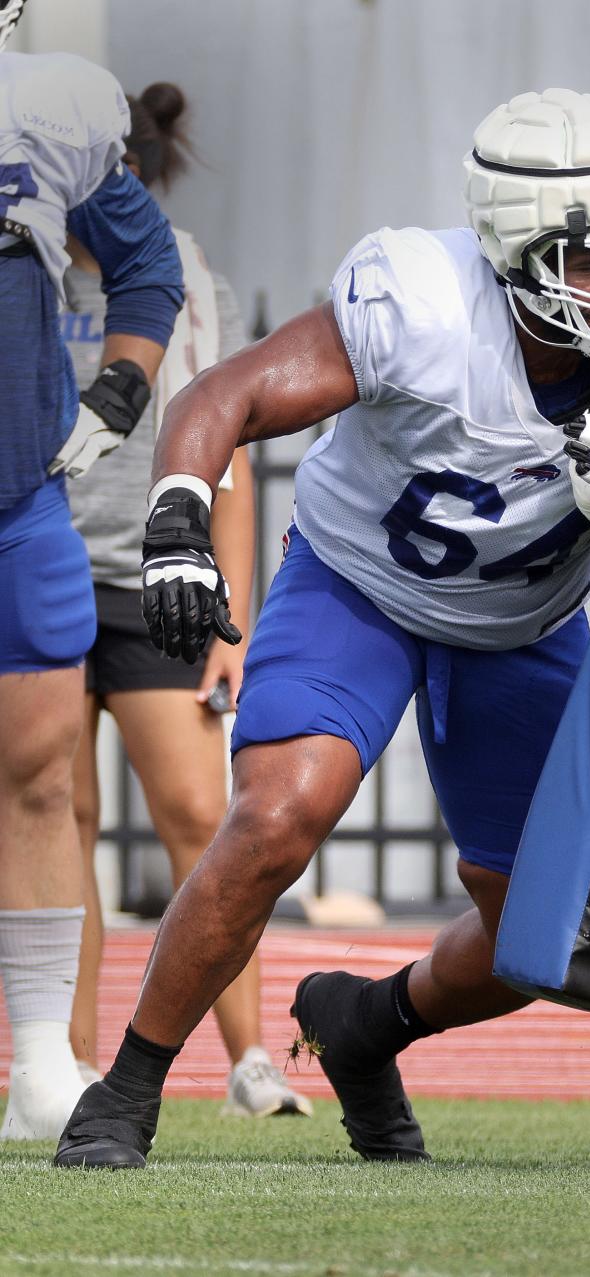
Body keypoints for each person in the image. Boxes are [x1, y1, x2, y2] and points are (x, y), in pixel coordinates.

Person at [55, 87, 590, 1169]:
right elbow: (230, 391)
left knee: (552, 938)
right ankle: (128, 1086)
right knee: (278, 818)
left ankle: (366, 1024)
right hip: (361, 589)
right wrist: (178, 516)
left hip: (523, 625)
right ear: (521, 248)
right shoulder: (425, 303)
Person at [62, 83, 311, 1119]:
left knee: (205, 816)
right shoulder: (18, 267)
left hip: (150, 588)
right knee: (55, 816)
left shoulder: (185, 273)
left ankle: (250, 1061)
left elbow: (232, 465)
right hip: (38, 574)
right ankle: (63, 1061)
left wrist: (230, 618)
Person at [0, 0, 184, 1140]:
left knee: (37, 775)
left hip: (18, 500)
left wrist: (116, 395)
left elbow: (148, 264)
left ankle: (34, 1056)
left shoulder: (42, 114)